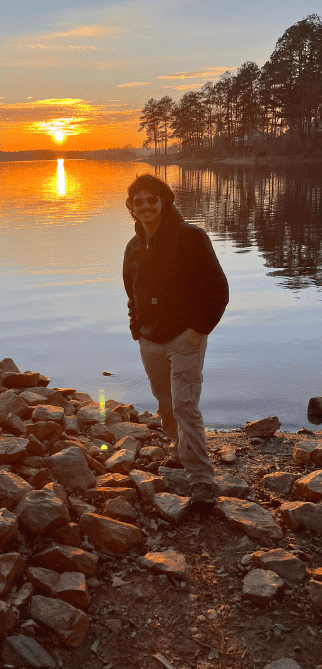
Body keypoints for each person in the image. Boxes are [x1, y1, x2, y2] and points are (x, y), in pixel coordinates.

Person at [122, 174, 228, 506]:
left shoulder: (191, 237)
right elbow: (132, 293)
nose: (145, 207)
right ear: (132, 209)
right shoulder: (133, 247)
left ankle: (201, 480)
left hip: (186, 338)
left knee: (185, 404)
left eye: (152, 200)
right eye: (138, 202)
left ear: (165, 202)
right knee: (166, 405)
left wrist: (198, 330)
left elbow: (217, 290)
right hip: (150, 341)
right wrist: (136, 328)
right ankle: (179, 452)